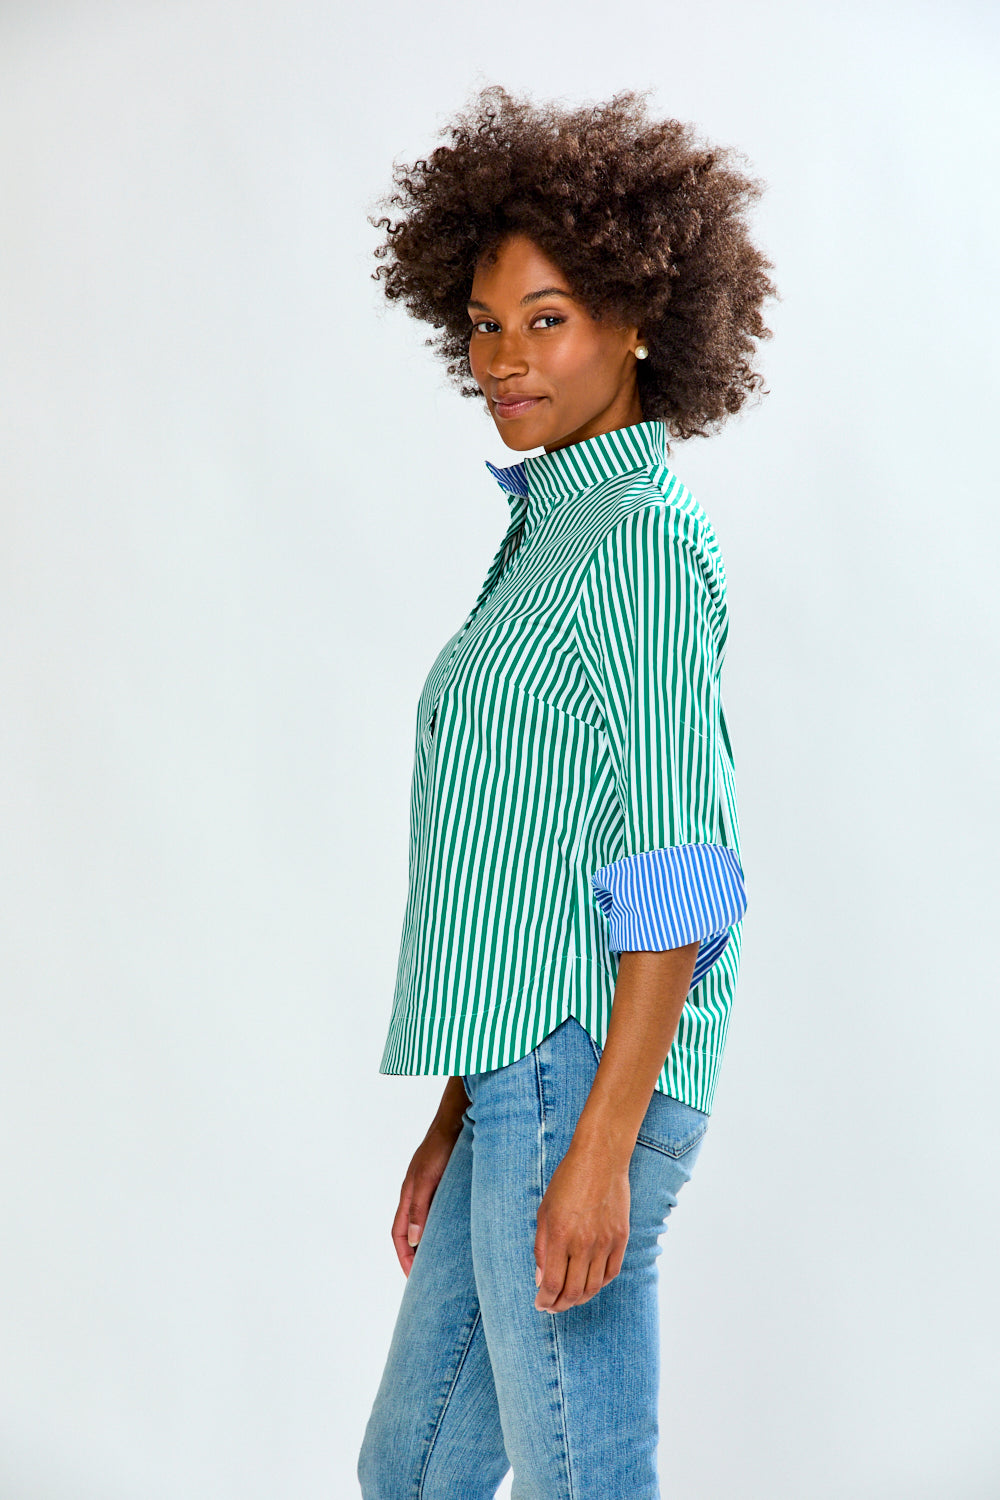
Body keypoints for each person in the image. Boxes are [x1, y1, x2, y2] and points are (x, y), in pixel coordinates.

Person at [357, 85, 778, 1500]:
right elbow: (531, 858)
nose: (502, 357)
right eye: (483, 323)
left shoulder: (641, 544)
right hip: (518, 1081)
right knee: (408, 1472)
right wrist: (459, 1114)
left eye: (546, 318)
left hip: (589, 1078)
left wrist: (592, 1147)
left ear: (638, 318)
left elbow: (678, 868)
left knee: (582, 1483)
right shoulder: (552, 529)